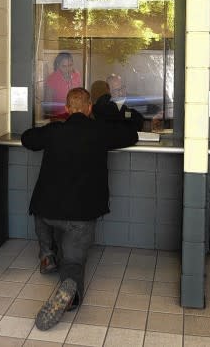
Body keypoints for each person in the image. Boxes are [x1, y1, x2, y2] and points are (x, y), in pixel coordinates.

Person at [21, 87, 139, 330]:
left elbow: (27, 138)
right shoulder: (100, 132)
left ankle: (47, 256)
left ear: (66, 108)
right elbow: (132, 135)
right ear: (88, 109)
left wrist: (48, 129)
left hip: (48, 211)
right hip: (81, 216)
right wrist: (114, 115)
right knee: (73, 262)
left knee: (40, 213)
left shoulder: (55, 130)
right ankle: (70, 293)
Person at [44, 52, 82, 119]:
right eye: (64, 66)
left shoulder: (76, 75)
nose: (68, 69)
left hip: (75, 114)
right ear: (58, 65)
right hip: (59, 116)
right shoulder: (52, 78)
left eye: (70, 65)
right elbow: (48, 103)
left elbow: (80, 96)